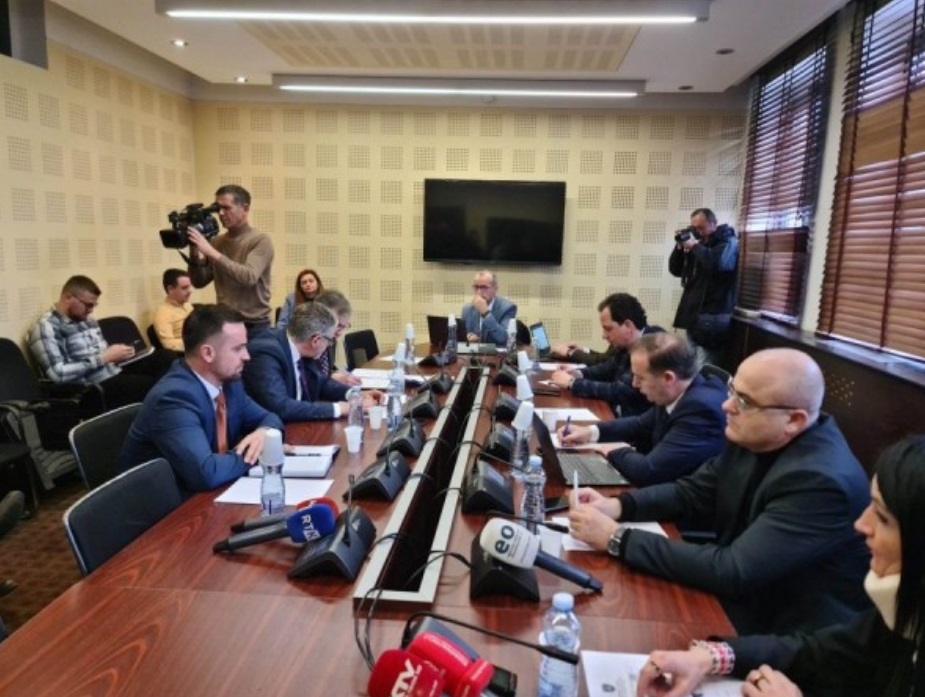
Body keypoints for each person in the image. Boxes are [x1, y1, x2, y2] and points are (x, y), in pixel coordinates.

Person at [568, 348, 871, 635]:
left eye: (744, 401)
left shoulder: (820, 482)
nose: (727, 405)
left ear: (794, 420)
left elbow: (735, 570)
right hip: (745, 599)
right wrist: (618, 506)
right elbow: (692, 492)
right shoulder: (758, 434)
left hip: (786, 633)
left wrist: (616, 538)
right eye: (732, 391)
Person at [635, 434, 925, 697]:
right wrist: (710, 656)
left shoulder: (822, 476)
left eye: (882, 518)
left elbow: (733, 570)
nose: (861, 525)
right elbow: (818, 653)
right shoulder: (902, 607)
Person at [117, 304, 283, 494]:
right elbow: (207, 473)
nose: (247, 356)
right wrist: (262, 450)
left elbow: (270, 418)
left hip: (209, 493)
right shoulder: (173, 398)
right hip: (162, 505)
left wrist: (263, 433)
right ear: (208, 353)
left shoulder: (229, 383)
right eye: (238, 349)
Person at [559, 333, 727, 486]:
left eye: (640, 378)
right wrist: (589, 432)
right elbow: (639, 424)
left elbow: (649, 471)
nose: (634, 384)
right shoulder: (676, 392)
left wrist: (611, 450)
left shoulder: (701, 410)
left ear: (668, 378)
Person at [28, 275, 173, 408]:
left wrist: (118, 354)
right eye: (88, 305)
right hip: (89, 388)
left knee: (166, 357)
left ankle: (169, 407)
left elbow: (104, 355)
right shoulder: (47, 327)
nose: (91, 310)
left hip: (113, 371)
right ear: (68, 297)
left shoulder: (88, 321)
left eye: (93, 305)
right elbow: (57, 375)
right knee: (151, 386)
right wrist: (103, 358)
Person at [244, 303, 382, 422]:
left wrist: (354, 395)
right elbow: (281, 407)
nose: (329, 345)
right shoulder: (265, 353)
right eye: (330, 340)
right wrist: (343, 408)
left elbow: (321, 383)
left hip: (299, 427)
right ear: (316, 340)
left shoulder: (301, 346)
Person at [550, 293, 664, 417]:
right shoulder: (627, 343)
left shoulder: (654, 345)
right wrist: (578, 373)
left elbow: (622, 391)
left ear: (628, 326)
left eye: (608, 329)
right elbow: (607, 368)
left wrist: (572, 383)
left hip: (636, 424)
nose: (603, 336)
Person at [186, 184, 274, 339]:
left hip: (254, 326)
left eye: (226, 208)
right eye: (218, 208)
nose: (220, 213)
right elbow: (198, 281)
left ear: (245, 208)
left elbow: (249, 277)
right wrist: (194, 249)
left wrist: (210, 251)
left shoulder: (260, 240)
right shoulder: (217, 242)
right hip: (225, 323)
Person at [668, 207, 738, 366]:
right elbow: (675, 270)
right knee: (691, 364)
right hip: (694, 315)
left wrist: (693, 246)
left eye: (701, 227)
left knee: (705, 366)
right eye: (694, 228)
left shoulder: (727, 242)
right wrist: (680, 247)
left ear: (714, 224)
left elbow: (717, 264)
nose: (697, 232)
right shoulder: (699, 244)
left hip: (713, 316)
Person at [313, 289, 362, 386]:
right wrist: (331, 378)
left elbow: (327, 368)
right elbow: (307, 378)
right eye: (338, 326)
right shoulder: (307, 341)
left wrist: (334, 374)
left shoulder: (331, 339)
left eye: (344, 326)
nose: (339, 333)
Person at [460, 270, 517, 346]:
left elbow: (503, 339)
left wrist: (486, 314)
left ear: (495, 289)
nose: (479, 292)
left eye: (484, 287)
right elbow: (464, 336)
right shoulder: (467, 309)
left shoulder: (508, 308)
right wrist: (468, 337)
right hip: (474, 352)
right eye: (476, 287)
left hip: (497, 352)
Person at [152, 268, 193, 352]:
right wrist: (196, 343)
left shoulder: (188, 305)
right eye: (184, 288)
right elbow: (169, 344)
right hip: (185, 354)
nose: (190, 291)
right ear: (170, 289)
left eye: (189, 286)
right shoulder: (163, 313)